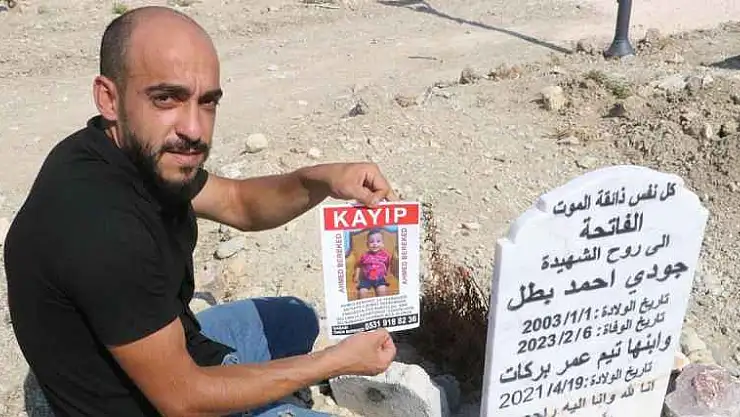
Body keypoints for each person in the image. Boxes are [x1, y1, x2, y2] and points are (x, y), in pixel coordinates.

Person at [3, 6, 398, 417]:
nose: (193, 129)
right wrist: (335, 361)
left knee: (296, 320)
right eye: (166, 98)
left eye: (207, 102)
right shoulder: (101, 228)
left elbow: (238, 203)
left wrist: (324, 179)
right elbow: (185, 401)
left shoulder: (129, 152)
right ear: (109, 98)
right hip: (165, 400)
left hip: (169, 351)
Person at [353, 228, 393, 299]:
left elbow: (387, 265)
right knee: (362, 292)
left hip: (379, 278)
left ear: (382, 244)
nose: (375, 244)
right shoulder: (364, 256)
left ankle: (382, 304)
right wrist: (356, 276)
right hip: (366, 279)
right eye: (371, 242)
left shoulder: (385, 255)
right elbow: (358, 265)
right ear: (367, 244)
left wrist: (386, 274)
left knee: (382, 290)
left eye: (378, 241)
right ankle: (364, 305)